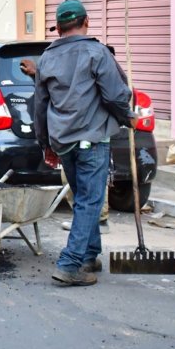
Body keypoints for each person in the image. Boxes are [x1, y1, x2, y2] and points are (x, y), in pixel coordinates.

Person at [33, 0, 138, 286]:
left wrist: (46, 145)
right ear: (86, 21)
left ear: (58, 28)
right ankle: (69, 264)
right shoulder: (97, 52)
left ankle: (90, 254)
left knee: (83, 200)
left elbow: (39, 107)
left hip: (63, 142)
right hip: (92, 140)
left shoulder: (46, 59)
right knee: (90, 201)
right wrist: (127, 116)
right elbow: (116, 96)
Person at [19, 58, 110, 235]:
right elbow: (51, 93)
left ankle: (76, 252)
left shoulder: (90, 71)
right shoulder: (63, 69)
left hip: (89, 139)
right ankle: (87, 231)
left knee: (90, 191)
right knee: (75, 187)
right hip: (67, 139)